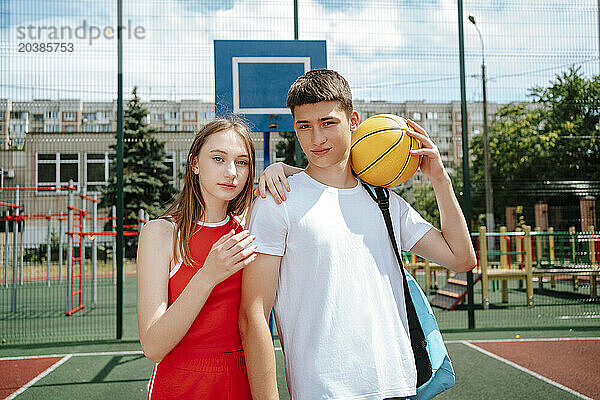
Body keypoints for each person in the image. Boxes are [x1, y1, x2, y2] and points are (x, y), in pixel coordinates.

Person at [239, 69, 477, 400]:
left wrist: (440, 179)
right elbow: (253, 314)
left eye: (328, 122)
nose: (316, 138)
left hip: (400, 384)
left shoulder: (384, 201)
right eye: (304, 126)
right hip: (323, 391)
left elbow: (462, 258)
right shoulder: (277, 201)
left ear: (353, 121)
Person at [136, 118, 259, 399]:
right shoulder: (162, 233)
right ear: (194, 164)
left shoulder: (251, 228)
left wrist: (280, 168)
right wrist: (207, 275)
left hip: (242, 379)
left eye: (242, 162)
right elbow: (153, 345)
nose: (231, 172)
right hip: (182, 383)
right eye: (218, 158)